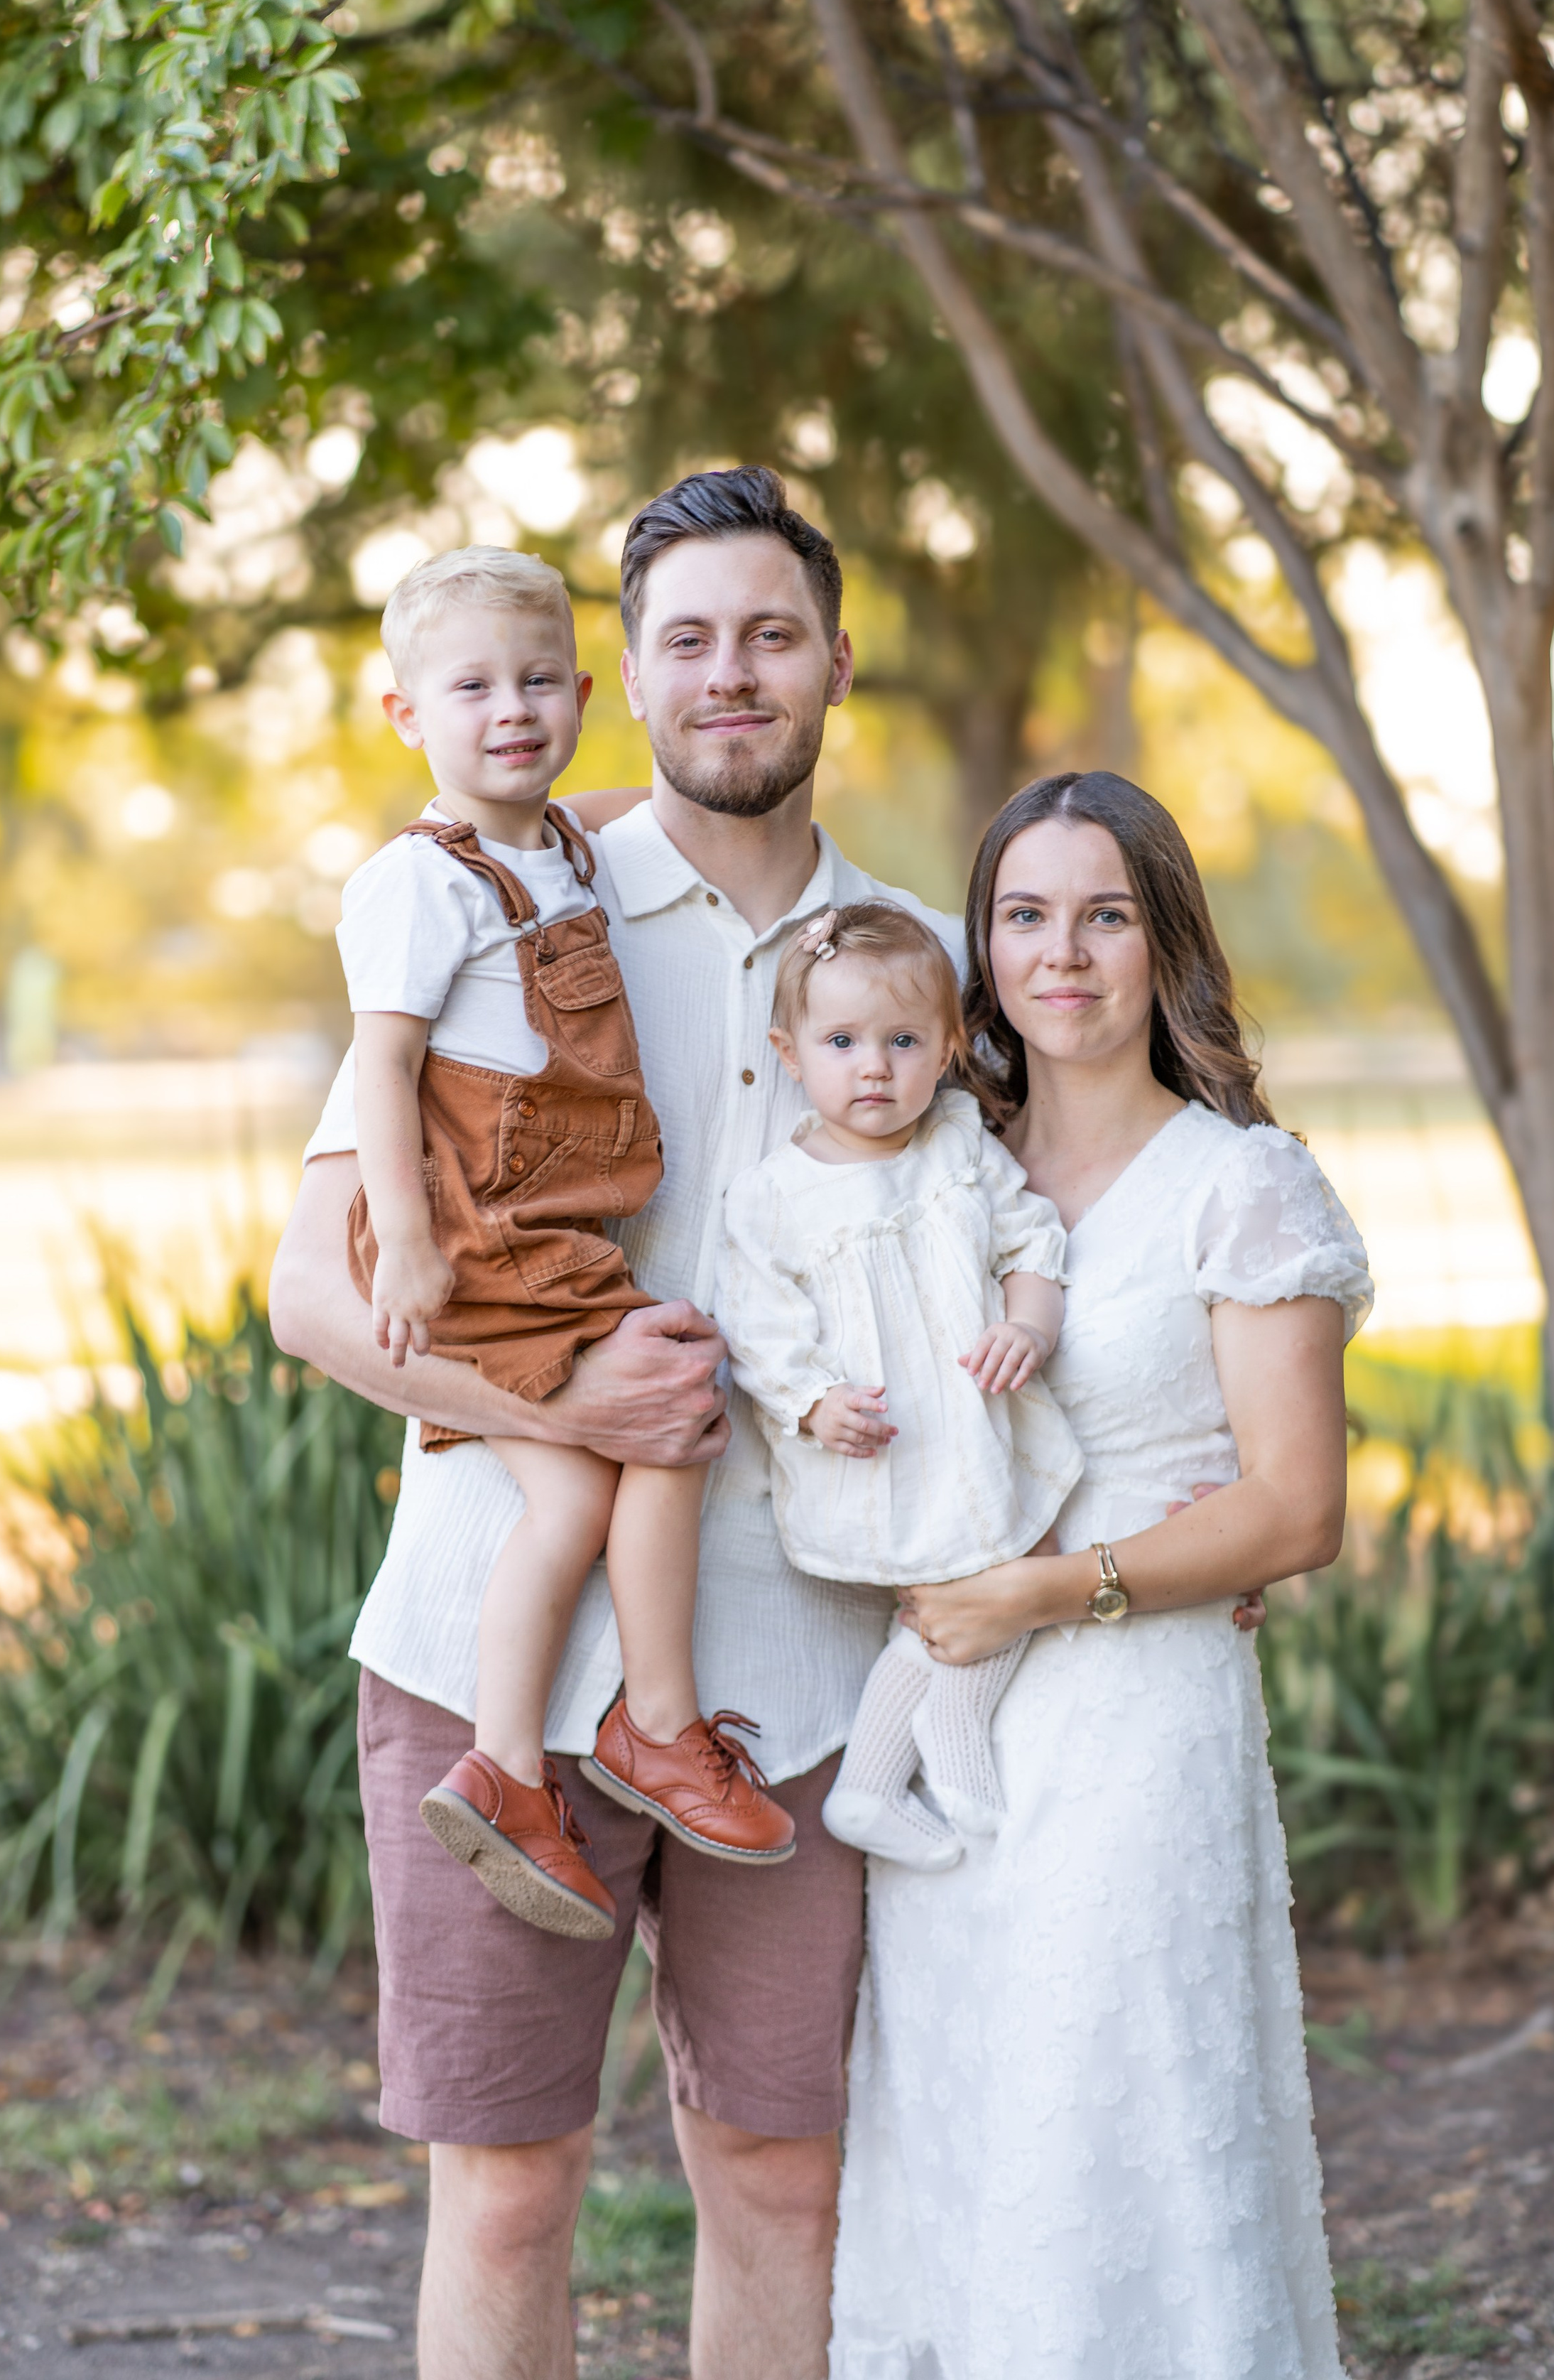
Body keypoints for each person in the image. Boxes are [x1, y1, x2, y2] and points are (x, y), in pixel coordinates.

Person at [268, 465, 962, 2380]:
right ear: (624, 683)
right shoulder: (501, 897)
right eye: (688, 640)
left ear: (834, 661)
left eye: (772, 634)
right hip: (495, 1635)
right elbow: (313, 1291)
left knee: (777, 2166)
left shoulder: (917, 960)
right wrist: (556, 1387)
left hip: (805, 1678)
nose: (732, 673)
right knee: (505, 2181)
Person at [827, 769, 1372, 2380]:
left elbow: (1292, 1509)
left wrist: (1043, 1591)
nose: (1059, 953)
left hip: (1136, 1725)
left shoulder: (1238, 1184)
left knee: (1113, 2125)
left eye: (1104, 914)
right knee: (964, 2128)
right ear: (978, 945)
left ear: (1163, 940)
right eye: (1021, 914)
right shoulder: (934, 1159)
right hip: (944, 1735)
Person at [339, 543, 794, 1942]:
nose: (510, 709)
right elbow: (382, 1068)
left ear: (587, 691)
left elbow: (607, 817)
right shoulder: (418, 882)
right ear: (405, 713)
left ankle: (511, 1765)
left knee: (581, 1496)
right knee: (667, 1407)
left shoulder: (562, 847)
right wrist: (408, 1246)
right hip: (494, 1238)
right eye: (469, 686)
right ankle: (645, 1729)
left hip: (551, 1233)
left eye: (538, 680)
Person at [714, 900, 1085, 1868]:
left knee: (1016, 1558)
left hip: (975, 1424)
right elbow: (757, 1326)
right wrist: (810, 1402)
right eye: (842, 1040)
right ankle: (943, 1758)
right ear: (791, 1053)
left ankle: (879, 1782)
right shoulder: (772, 1197)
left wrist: (1027, 1323)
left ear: (948, 1048)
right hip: (886, 1452)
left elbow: (1032, 1240)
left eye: (903, 1039)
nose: (873, 1065)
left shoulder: (958, 1143)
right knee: (959, 1593)